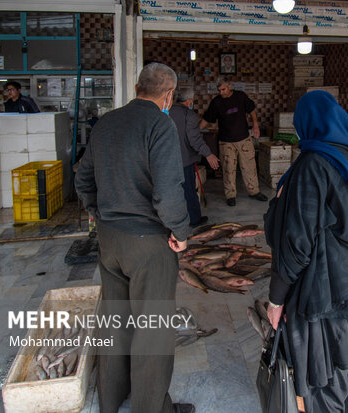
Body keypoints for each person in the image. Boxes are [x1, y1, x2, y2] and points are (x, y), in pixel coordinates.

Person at [75, 63, 195, 413]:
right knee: (152, 328)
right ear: (168, 95)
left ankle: (110, 400)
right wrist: (180, 232)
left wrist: (100, 213)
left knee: (115, 319)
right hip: (148, 244)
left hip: (109, 241)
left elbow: (83, 180)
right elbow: (168, 193)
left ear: (138, 86)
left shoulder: (106, 123)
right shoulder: (160, 124)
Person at [265, 90, 348, 413]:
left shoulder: (313, 164)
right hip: (346, 276)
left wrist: (276, 299)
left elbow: (297, 243)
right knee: (338, 359)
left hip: (317, 287)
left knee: (316, 370)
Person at [199, 77, 267, 206]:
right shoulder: (216, 102)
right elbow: (206, 119)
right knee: (228, 169)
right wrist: (195, 131)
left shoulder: (240, 97)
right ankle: (230, 195)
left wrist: (255, 125)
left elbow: (251, 109)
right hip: (226, 142)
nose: (221, 93)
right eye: (219, 90)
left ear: (230, 86)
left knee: (249, 167)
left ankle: (254, 192)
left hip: (244, 139)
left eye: (223, 89)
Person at [169, 87, 220, 228]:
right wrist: (208, 154)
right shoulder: (189, 115)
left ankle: (172, 220)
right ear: (189, 101)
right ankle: (194, 219)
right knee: (189, 191)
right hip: (184, 162)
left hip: (167, 162)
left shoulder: (166, 112)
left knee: (171, 191)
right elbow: (195, 139)